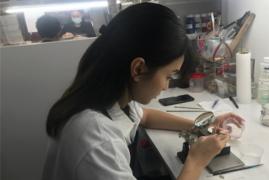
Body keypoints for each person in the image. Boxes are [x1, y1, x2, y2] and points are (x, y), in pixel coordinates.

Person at [42, 3, 244, 180]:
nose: (166, 87)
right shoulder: (97, 138)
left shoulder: (111, 99)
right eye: (168, 75)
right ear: (138, 69)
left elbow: (144, 116)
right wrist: (196, 161)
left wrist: (202, 126)